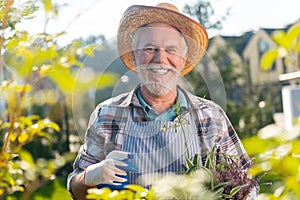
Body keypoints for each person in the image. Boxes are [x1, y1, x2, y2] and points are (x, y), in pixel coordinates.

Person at [67, 2, 256, 199]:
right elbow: (76, 191)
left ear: (183, 60)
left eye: (171, 50)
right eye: (150, 48)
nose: (160, 58)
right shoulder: (107, 115)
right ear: (135, 57)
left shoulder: (211, 116)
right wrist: (90, 176)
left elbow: (247, 186)